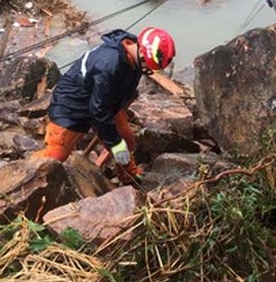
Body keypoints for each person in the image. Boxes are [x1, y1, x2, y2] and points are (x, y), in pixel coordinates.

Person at [33, 27, 176, 183]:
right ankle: (24, 176)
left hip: (106, 101)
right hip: (72, 105)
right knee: (55, 157)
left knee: (126, 140)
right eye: (147, 65)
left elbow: (103, 103)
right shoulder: (108, 65)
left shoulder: (132, 54)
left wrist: (118, 142)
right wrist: (115, 144)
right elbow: (99, 111)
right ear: (141, 53)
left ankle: (129, 175)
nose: (147, 69)